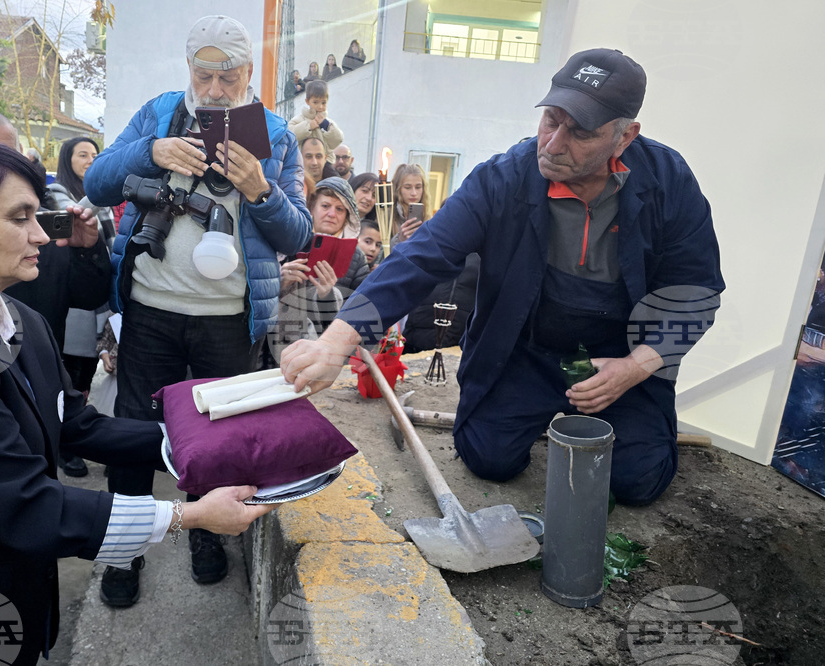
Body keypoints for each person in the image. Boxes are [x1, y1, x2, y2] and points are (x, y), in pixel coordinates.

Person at [0, 120, 273, 665]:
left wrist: (200, 442)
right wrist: (190, 516)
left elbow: (74, 425)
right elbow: (27, 507)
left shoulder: (19, 318)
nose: (41, 235)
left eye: (37, 215)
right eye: (19, 218)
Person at [281, 48, 725, 507]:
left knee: (639, 481)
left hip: (618, 354)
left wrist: (636, 368)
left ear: (624, 136)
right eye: (551, 120)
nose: (553, 144)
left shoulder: (668, 182)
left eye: (581, 132)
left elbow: (695, 290)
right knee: (487, 457)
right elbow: (422, 257)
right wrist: (335, 343)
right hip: (524, 348)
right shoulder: (503, 178)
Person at [83, 15, 312, 604]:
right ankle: (124, 549)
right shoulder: (159, 113)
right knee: (135, 431)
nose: (214, 89)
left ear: (248, 72)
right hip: (150, 306)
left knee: (217, 434)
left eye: (228, 76)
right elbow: (98, 182)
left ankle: (206, 532)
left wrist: (260, 189)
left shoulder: (275, 133)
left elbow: (298, 235)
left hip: (230, 317)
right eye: (203, 75)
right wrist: (151, 152)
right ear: (188, 68)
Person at [0, 106, 113, 356]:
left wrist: (86, 251)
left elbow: (87, 296)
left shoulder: (46, 221)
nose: (38, 237)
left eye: (6, 155)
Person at [49, 136, 116, 478]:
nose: (90, 160)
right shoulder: (55, 194)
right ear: (67, 159)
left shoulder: (103, 202)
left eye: (95, 155)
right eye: (83, 154)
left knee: (86, 377)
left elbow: (109, 245)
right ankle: (63, 447)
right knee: (67, 378)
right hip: (69, 301)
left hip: (97, 296)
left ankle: (74, 439)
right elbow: (70, 226)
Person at [274, 177, 369, 356]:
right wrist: (279, 282)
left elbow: (359, 313)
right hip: (280, 346)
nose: (332, 214)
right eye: (325, 206)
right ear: (312, 208)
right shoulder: (287, 243)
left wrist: (328, 297)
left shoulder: (356, 257)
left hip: (329, 352)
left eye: (340, 209)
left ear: (347, 217)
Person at [289, 80, 344, 167]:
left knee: (334, 176)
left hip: (325, 163)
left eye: (323, 103)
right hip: (302, 162)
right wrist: (308, 126)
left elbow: (338, 139)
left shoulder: (328, 123)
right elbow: (290, 135)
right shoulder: (299, 119)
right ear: (307, 101)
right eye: (315, 102)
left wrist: (326, 126)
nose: (320, 106)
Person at [390, 163, 430, 249]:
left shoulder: (428, 218)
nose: (414, 193)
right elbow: (380, 252)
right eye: (407, 187)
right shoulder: (387, 216)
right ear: (398, 189)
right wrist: (399, 240)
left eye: (418, 187)